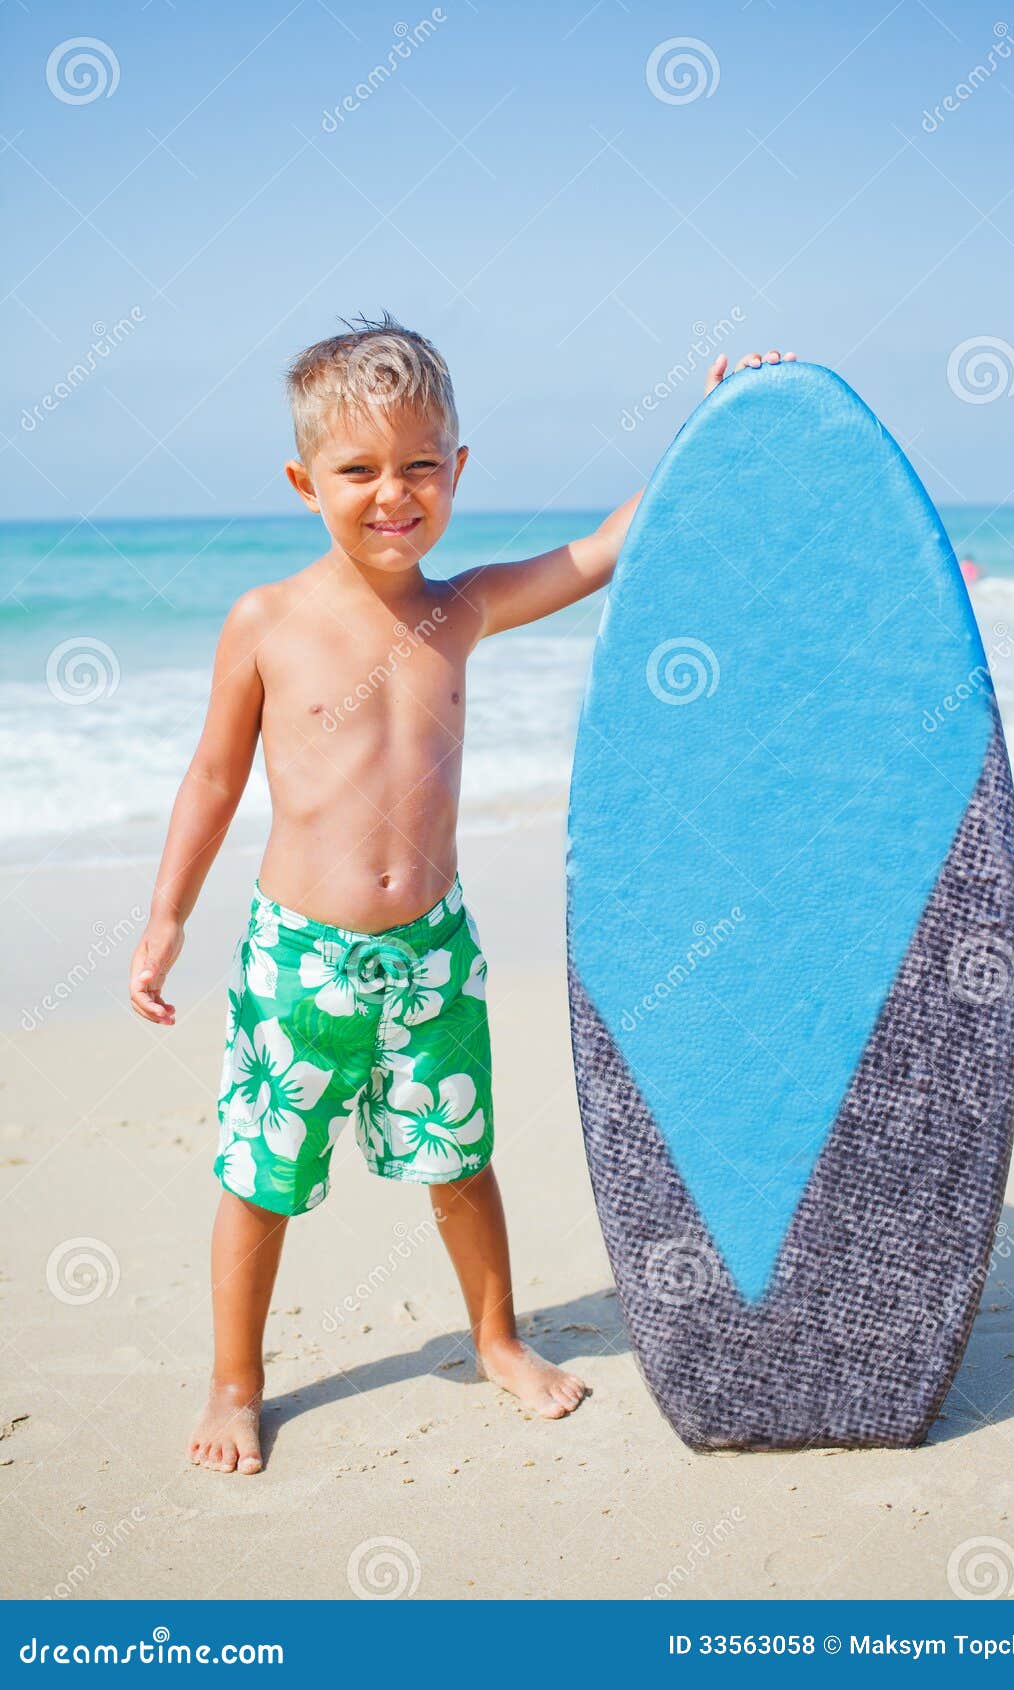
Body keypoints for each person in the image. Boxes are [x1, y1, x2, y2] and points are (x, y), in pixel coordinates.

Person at [128, 313, 794, 1474]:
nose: (394, 492)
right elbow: (213, 776)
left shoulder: (464, 607)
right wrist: (167, 913)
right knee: (259, 1177)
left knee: (460, 1161)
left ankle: (495, 1338)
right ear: (303, 482)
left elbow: (597, 553)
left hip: (431, 954)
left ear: (458, 469)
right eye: (359, 470)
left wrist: (714, 426)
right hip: (299, 960)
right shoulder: (266, 622)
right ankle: (236, 1381)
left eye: (419, 464)